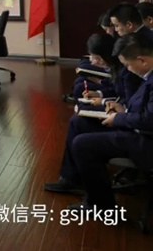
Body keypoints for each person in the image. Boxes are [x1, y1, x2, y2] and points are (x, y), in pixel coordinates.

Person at [43, 34, 153, 211]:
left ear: (142, 60)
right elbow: (140, 108)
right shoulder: (148, 75)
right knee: (79, 123)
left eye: (127, 65)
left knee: (82, 145)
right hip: (136, 127)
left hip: (145, 140)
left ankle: (101, 205)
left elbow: (148, 120)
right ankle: (72, 179)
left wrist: (119, 117)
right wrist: (122, 108)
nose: (127, 69)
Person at [84, 3, 153, 105]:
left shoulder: (142, 41)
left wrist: (104, 101)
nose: (115, 30)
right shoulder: (140, 36)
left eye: (116, 26)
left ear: (129, 25)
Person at [62, 33, 119, 104]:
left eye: (96, 58)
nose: (93, 63)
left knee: (80, 88)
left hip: (114, 102)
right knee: (80, 81)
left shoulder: (121, 71)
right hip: (110, 94)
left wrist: (102, 99)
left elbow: (118, 94)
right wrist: (99, 93)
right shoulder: (115, 67)